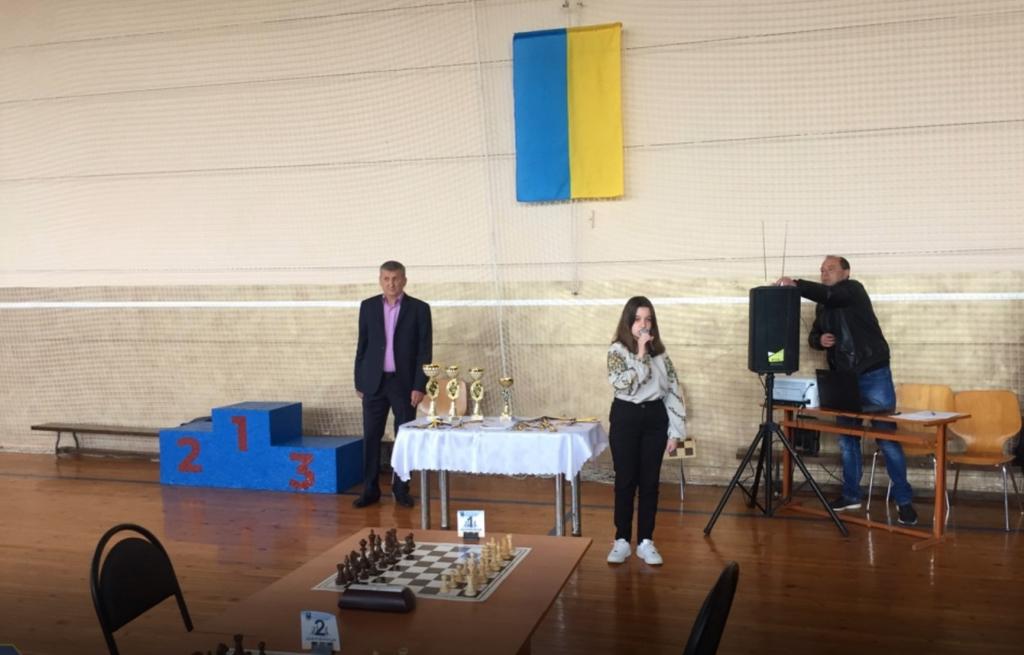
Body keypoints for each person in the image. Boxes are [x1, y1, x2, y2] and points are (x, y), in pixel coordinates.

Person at [778, 255, 918, 525]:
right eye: (822, 270)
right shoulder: (823, 305)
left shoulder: (853, 290)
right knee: (847, 440)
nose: (824, 273)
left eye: (830, 269)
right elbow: (813, 335)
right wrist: (819, 340)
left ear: (846, 272)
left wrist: (796, 284)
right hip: (842, 378)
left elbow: (831, 295)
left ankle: (904, 501)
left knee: (887, 438)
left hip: (872, 373)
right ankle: (851, 495)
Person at [605, 296, 686, 565]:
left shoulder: (661, 354)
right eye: (638, 319)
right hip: (625, 417)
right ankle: (621, 540)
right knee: (625, 480)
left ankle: (645, 542)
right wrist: (640, 355)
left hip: (654, 419)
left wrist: (676, 432)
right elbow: (623, 385)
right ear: (628, 322)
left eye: (648, 319)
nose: (643, 325)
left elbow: (673, 391)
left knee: (650, 482)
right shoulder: (617, 351)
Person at [353, 261, 432, 508]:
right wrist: (359, 380)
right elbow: (362, 345)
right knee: (371, 437)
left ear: (404, 280)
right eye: (386, 279)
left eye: (396, 278)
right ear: (380, 280)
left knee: (404, 437)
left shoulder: (419, 309)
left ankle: (401, 489)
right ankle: (370, 490)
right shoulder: (367, 307)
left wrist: (419, 385)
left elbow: (424, 350)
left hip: (405, 384)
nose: (391, 283)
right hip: (373, 383)